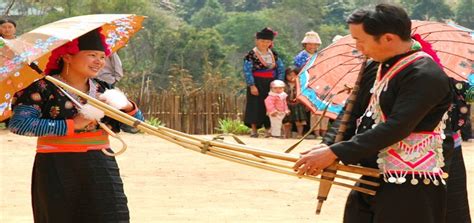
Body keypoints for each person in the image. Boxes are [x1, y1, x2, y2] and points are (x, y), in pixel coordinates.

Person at [294, 4, 453, 223]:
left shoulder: (425, 74)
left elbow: (397, 126)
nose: (358, 47)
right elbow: (351, 113)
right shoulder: (374, 67)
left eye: (360, 40)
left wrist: (336, 152)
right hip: (374, 175)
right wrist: (328, 144)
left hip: (410, 183)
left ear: (388, 38)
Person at [9, 29, 144, 222]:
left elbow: (136, 126)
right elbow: (19, 124)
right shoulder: (44, 88)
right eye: (91, 55)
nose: (99, 61)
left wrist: (127, 107)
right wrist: (73, 124)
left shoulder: (103, 89)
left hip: (101, 163)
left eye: (102, 57)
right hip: (56, 166)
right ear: (67, 57)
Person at [243, 27, 285, 138]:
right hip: (257, 83)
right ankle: (254, 130)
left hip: (271, 84)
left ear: (271, 42)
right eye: (262, 41)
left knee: (270, 105)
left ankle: (268, 129)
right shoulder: (251, 55)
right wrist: (252, 85)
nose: (264, 43)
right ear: (256, 41)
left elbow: (280, 68)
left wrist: (279, 83)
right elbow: (247, 70)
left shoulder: (274, 54)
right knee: (255, 105)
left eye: (267, 41)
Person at [283, 67, 308, 138]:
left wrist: (306, 104)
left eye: (294, 75)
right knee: (287, 121)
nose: (291, 77)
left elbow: (305, 94)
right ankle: (286, 134)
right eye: (289, 75)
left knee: (299, 121)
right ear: (285, 76)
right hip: (287, 104)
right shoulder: (283, 84)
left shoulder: (301, 84)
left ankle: (299, 134)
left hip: (298, 104)